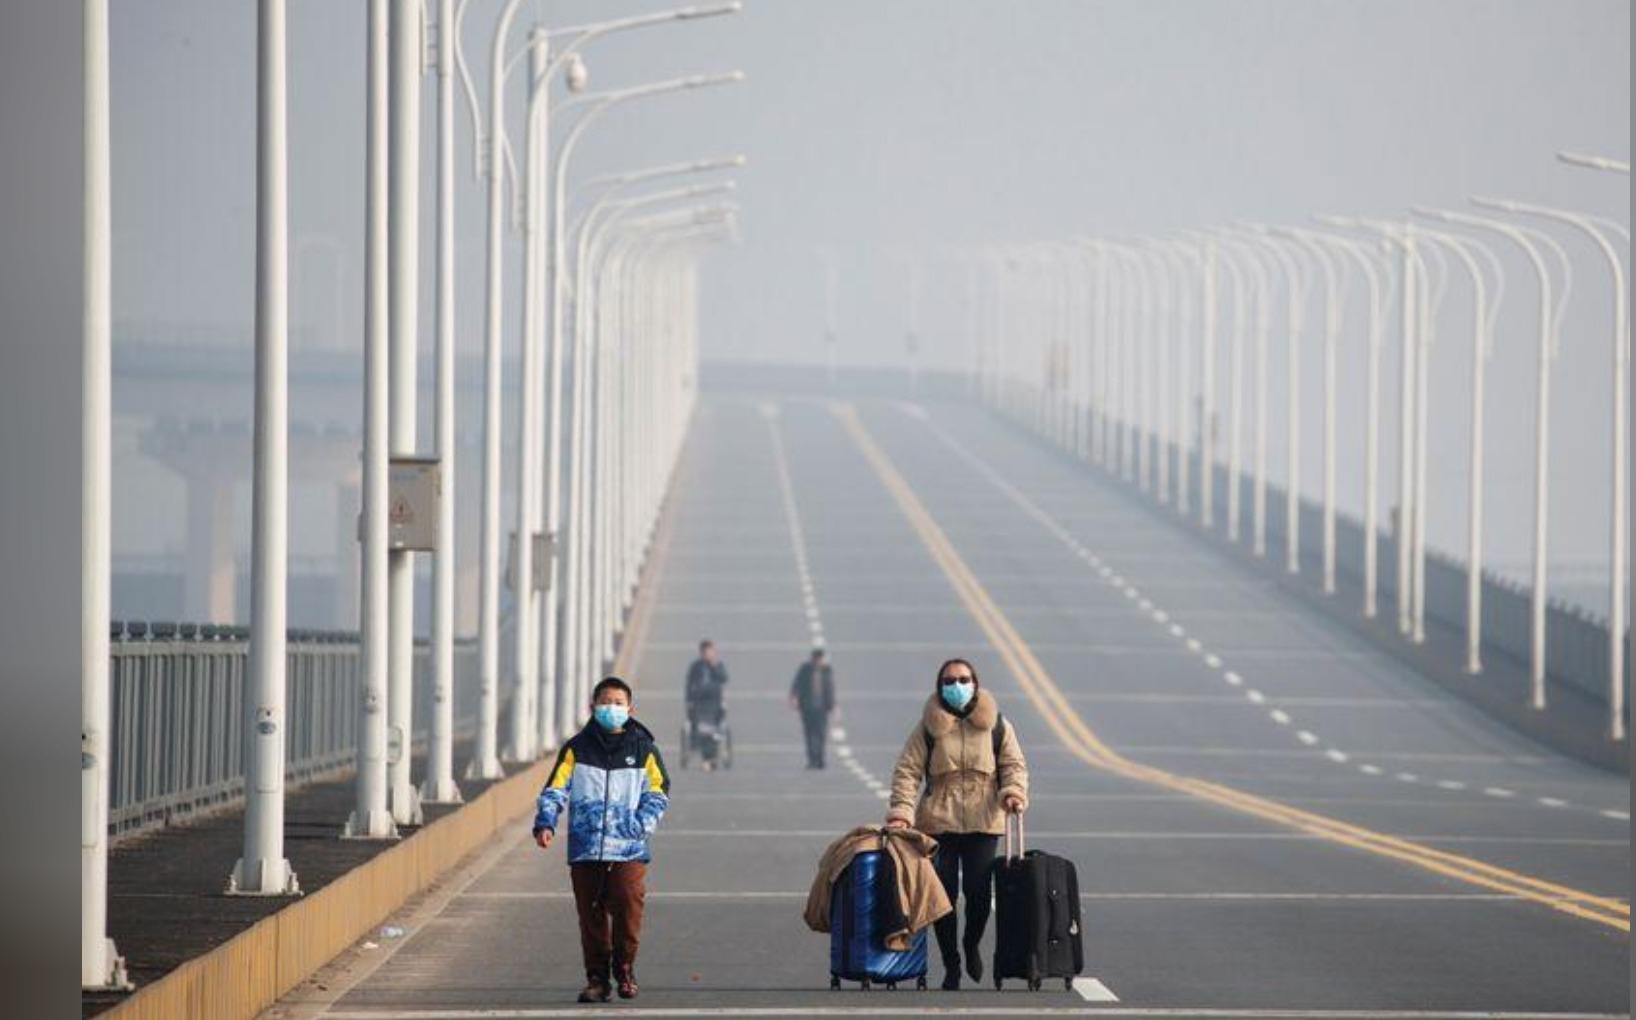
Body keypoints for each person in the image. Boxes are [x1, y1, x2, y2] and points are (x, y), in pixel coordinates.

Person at [885, 658, 1028, 991]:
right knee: (943, 897)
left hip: (983, 821)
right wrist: (901, 810)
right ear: (940, 685)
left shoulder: (997, 726)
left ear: (975, 683)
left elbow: (1013, 765)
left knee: (978, 894)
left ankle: (971, 943)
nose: (957, 686)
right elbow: (907, 771)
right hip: (939, 822)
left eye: (964, 679)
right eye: (949, 681)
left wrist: (1013, 793)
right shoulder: (927, 728)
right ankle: (952, 964)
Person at [533, 676, 671, 1003]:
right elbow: (555, 788)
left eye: (618, 703)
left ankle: (624, 970)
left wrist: (641, 824)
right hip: (586, 847)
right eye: (605, 702)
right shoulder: (576, 749)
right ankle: (597, 979)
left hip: (628, 848)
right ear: (592, 707)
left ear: (630, 708)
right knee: (591, 915)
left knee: (627, 906)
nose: (612, 708)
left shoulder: (643, 749)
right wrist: (546, 822)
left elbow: (659, 790)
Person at [787, 646, 837, 769]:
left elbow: (830, 689)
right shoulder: (805, 669)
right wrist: (794, 698)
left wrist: (834, 706)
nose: (818, 661)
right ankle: (811, 760)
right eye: (817, 659)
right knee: (809, 734)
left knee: (821, 734)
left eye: (820, 659)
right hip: (807, 708)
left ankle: (820, 759)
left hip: (822, 708)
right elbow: (797, 683)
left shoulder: (827, 670)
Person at [684, 639, 729, 770]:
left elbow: (724, 678)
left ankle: (711, 758)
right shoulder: (695, 667)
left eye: (711, 652)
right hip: (699, 703)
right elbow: (689, 685)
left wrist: (714, 666)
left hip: (715, 702)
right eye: (707, 652)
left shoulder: (718, 665)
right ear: (702, 653)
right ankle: (707, 759)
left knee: (714, 730)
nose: (709, 654)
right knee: (703, 729)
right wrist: (688, 701)